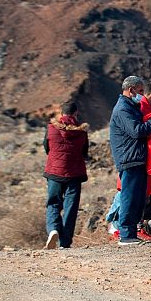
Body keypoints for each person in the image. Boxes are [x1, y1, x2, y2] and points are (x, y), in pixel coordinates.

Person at [109, 76, 151, 245]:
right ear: (131, 90)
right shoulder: (123, 109)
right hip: (129, 159)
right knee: (129, 197)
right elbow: (137, 131)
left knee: (138, 199)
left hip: (136, 158)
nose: (142, 95)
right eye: (140, 91)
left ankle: (131, 232)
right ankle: (126, 234)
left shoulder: (131, 107)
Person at [43, 102, 89, 249]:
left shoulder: (51, 128)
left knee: (53, 203)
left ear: (62, 114)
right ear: (76, 114)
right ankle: (65, 242)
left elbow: (46, 147)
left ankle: (53, 229)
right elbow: (85, 152)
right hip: (75, 174)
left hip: (54, 173)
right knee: (71, 208)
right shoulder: (82, 132)